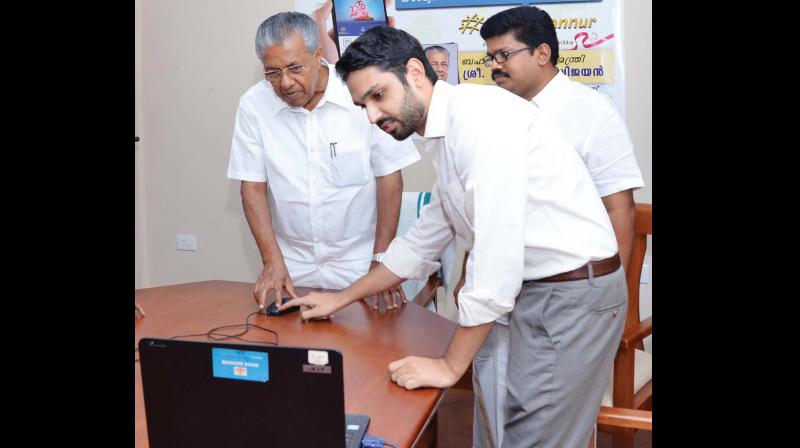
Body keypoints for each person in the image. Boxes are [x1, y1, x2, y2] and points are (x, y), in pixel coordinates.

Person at [281, 26, 628, 448]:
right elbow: (421, 241)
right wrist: (341, 298)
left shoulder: (480, 121)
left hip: (571, 296)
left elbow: (495, 262)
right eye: (363, 106)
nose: (372, 116)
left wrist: (448, 367)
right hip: (536, 293)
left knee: (534, 440)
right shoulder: (447, 134)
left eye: (378, 96)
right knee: (499, 429)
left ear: (414, 71)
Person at [454, 7, 646, 445]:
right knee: (493, 413)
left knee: (552, 429)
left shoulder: (591, 112)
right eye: (490, 57)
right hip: (498, 301)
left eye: (505, 54)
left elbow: (620, 210)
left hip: (566, 300)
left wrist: (609, 303)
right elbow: (482, 210)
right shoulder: (490, 114)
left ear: (543, 53)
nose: (495, 65)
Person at [227, 12, 420, 312]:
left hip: (360, 262)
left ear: (318, 56)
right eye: (273, 72)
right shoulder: (254, 105)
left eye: (294, 68)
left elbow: (389, 179)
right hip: (292, 266)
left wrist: (382, 262)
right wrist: (272, 261)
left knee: (372, 347)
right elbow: (252, 187)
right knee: (289, 351)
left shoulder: (359, 91)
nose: (285, 82)